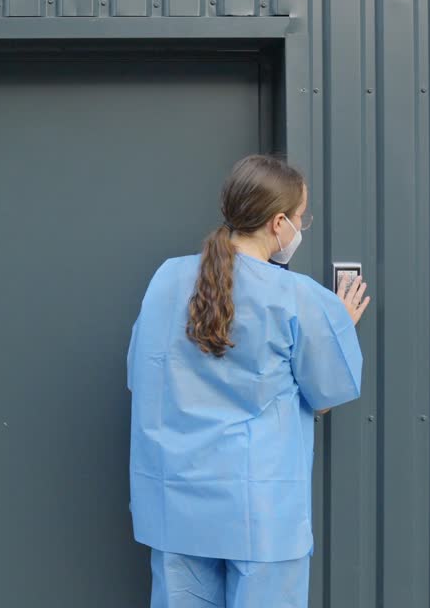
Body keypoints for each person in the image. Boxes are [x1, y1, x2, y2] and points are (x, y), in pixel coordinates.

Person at [127, 154, 370, 607]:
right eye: (301, 218)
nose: (301, 226)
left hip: (177, 504)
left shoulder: (165, 280)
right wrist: (338, 325)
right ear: (279, 223)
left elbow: (142, 377)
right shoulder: (297, 297)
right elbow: (324, 398)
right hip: (261, 512)